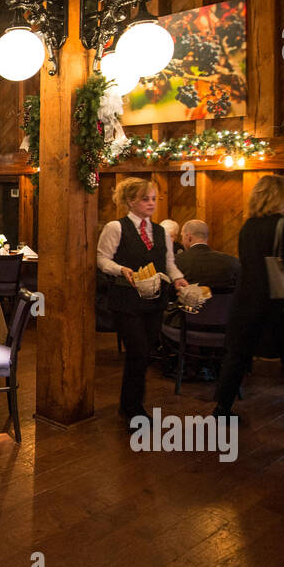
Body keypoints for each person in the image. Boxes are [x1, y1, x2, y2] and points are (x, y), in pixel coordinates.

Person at [212, 175, 284, 420]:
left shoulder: (248, 225)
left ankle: (221, 409)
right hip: (276, 301)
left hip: (246, 298)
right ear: (279, 197)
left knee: (237, 355)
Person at [97, 178, 190, 422]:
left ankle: (129, 403)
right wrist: (121, 270)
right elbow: (102, 259)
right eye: (145, 199)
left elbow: (169, 264)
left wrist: (179, 279)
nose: (151, 203)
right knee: (137, 351)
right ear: (130, 201)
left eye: (153, 199)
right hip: (126, 301)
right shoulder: (116, 228)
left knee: (144, 353)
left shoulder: (160, 232)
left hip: (154, 301)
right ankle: (133, 409)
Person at [174, 219, 240, 292]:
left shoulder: (177, 261)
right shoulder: (233, 262)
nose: (181, 241)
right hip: (224, 303)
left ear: (189, 238)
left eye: (182, 237)